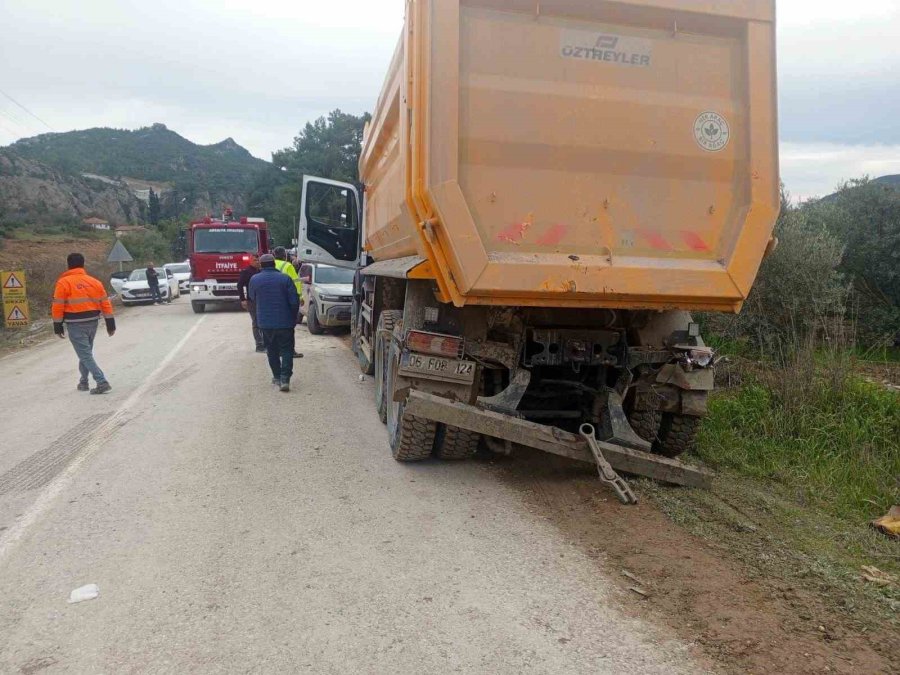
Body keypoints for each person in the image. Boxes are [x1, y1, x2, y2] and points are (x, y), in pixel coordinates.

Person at [52, 253, 116, 395]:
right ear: (83, 264)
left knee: (85, 355)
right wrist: (110, 324)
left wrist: (57, 325)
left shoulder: (63, 282)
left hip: (75, 324)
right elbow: (105, 304)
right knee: (86, 353)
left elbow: (58, 306)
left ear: (68, 265)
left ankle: (102, 382)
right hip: (92, 322)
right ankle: (84, 382)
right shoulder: (95, 282)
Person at [249, 254, 300, 392]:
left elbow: (252, 298)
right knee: (287, 350)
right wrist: (293, 318)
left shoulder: (254, 279)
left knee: (271, 350)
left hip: (265, 323)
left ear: (261, 265)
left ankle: (277, 376)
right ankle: (285, 378)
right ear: (274, 264)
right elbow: (294, 301)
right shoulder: (285, 279)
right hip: (285, 322)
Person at [273, 246, 304, 358]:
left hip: (274, 300)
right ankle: (290, 350)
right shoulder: (287, 265)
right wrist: (299, 297)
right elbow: (295, 282)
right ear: (284, 255)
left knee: (275, 326)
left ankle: (277, 349)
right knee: (289, 327)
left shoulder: (270, 264)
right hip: (286, 299)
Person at [238, 255, 264, 353]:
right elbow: (240, 285)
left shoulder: (261, 271)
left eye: (258, 260)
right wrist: (242, 299)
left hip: (262, 300)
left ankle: (265, 342)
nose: (257, 262)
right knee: (256, 322)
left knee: (263, 322)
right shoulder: (246, 272)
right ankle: (259, 345)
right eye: (255, 260)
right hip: (252, 301)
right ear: (250, 261)